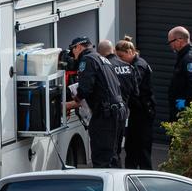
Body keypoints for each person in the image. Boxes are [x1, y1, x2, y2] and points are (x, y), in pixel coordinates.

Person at [65, 36, 124, 168]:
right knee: (112, 156)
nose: (73, 57)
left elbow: (85, 89)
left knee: (101, 158)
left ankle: (106, 188)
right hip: (117, 111)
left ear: (79, 47)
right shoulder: (102, 58)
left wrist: (72, 102)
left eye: (73, 51)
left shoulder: (87, 59)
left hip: (105, 114)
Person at [116, 36, 156, 170]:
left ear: (130, 52)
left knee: (142, 149)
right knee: (131, 148)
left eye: (121, 56)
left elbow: (133, 86)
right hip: (136, 111)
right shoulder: (132, 65)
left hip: (143, 111)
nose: (119, 60)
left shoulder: (139, 66)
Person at [99, 39, 136, 154]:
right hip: (123, 111)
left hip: (108, 114)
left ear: (100, 53)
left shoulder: (104, 68)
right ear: (113, 51)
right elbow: (135, 92)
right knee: (117, 148)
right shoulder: (129, 67)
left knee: (108, 150)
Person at [166, 26, 192, 123]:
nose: (170, 45)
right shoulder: (189, 55)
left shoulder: (189, 59)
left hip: (183, 110)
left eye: (171, 42)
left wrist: (185, 105)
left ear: (179, 40)